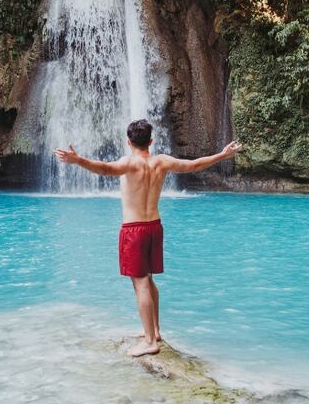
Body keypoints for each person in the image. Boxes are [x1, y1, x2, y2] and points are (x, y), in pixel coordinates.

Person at [54, 119, 242, 357]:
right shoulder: (162, 161)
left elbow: (104, 169)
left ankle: (150, 342)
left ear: (128, 141)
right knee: (149, 281)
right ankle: (155, 330)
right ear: (151, 141)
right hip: (154, 226)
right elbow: (194, 165)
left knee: (140, 283)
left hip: (134, 229)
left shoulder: (129, 163)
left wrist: (77, 159)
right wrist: (222, 155)